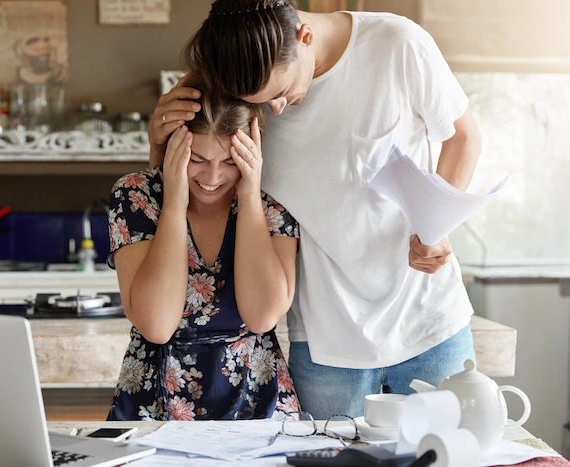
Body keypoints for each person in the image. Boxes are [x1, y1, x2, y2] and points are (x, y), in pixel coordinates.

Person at [148, 1, 483, 419]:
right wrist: (157, 141)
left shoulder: (398, 44)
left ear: (303, 36)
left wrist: (435, 224)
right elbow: (201, 176)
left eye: (280, 92)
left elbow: (464, 137)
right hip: (325, 345)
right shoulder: (233, 80)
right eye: (260, 100)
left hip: (429, 324)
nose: (275, 110)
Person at [106, 77, 301, 421]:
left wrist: (249, 195)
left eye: (229, 161)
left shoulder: (273, 202)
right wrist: (174, 202)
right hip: (156, 400)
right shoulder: (137, 195)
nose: (213, 176)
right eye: (196, 158)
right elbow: (157, 325)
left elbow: (261, 316)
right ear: (173, 149)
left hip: (256, 400)